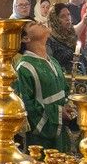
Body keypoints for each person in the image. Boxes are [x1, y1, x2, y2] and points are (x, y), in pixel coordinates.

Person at [13, 19, 70, 151]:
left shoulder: (53, 61)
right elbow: (27, 106)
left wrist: (68, 106)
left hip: (60, 130)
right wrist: (59, 113)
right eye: (33, 24)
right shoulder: (24, 67)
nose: (39, 22)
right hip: (40, 140)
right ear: (25, 38)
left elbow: (64, 90)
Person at [46, 3, 78, 73]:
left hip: (80, 75)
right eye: (63, 16)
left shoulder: (72, 35)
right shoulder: (49, 40)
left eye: (68, 14)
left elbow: (82, 58)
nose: (67, 18)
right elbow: (50, 65)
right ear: (55, 20)